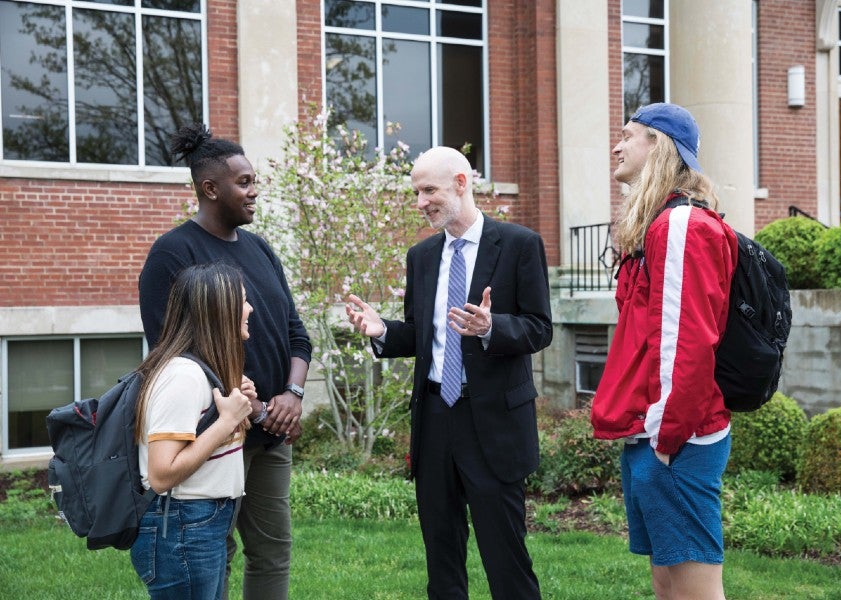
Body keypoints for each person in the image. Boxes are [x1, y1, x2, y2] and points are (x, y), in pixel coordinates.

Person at [345, 146, 552, 600]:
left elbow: (540, 329)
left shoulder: (518, 245)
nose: (421, 201)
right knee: (441, 556)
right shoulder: (421, 256)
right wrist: (383, 331)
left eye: (429, 190)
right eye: (417, 192)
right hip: (436, 416)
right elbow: (423, 334)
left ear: (461, 183)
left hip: (494, 423)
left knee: (507, 559)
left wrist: (492, 327)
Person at [139, 124, 313, 600]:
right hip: (214, 434)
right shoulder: (173, 254)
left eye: (254, 180)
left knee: (273, 550)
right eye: (244, 182)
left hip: (272, 436)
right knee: (212, 551)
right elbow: (175, 351)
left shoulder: (260, 250)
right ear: (209, 188)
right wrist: (254, 409)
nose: (254, 191)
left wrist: (292, 397)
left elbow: (297, 334)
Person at [591, 103, 738, 600]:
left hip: (677, 438)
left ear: (657, 144)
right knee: (668, 587)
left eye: (628, 135)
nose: (617, 144)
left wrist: (666, 436)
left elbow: (688, 343)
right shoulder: (658, 225)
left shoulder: (681, 227)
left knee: (695, 592)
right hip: (654, 432)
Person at [131, 262, 254, 599]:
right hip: (183, 526)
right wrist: (227, 421)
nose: (250, 308)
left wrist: (232, 407)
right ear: (219, 311)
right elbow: (161, 474)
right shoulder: (182, 376)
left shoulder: (200, 371)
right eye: (242, 300)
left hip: (198, 523)